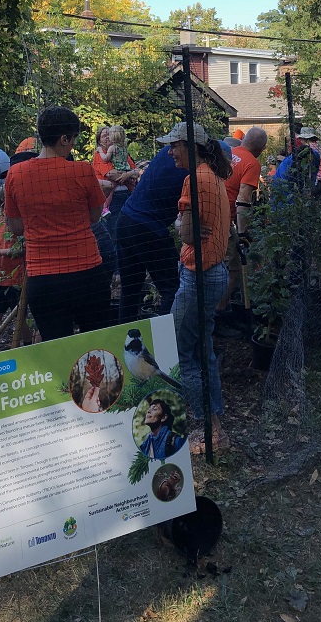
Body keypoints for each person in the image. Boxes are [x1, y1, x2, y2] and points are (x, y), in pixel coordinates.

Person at [4, 106, 110, 342]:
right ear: (64, 138)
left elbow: (16, 227)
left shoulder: (16, 174)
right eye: (72, 139)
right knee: (97, 346)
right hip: (87, 274)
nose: (72, 144)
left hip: (43, 279)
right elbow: (95, 216)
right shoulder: (82, 170)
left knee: (58, 349)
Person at [159, 122, 231, 454]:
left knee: (179, 353)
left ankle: (203, 432)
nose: (169, 151)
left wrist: (179, 224)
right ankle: (216, 430)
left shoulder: (194, 180)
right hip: (215, 272)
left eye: (173, 145)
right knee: (204, 352)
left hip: (197, 275)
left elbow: (187, 235)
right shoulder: (214, 177)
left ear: (190, 145)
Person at [115, 145, 188, 324]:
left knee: (130, 290)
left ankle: (123, 340)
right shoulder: (192, 167)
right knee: (171, 288)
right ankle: (167, 344)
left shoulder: (167, 151)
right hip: (148, 228)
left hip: (125, 220)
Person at [216, 128, 267, 330]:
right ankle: (217, 316)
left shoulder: (230, 153)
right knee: (232, 268)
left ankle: (218, 310)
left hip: (213, 212)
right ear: (261, 149)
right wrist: (244, 234)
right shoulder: (252, 163)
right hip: (224, 219)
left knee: (218, 266)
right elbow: (243, 200)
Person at [0, 186, 33, 347]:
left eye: (2, 205)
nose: (0, 209)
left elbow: (23, 248)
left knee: (20, 319)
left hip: (18, 280)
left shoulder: (22, 222)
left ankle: (27, 347)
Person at [92, 125, 139, 246]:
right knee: (114, 232)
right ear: (99, 140)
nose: (107, 137)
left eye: (109, 134)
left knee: (128, 231)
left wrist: (127, 175)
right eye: (104, 135)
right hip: (112, 198)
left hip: (126, 195)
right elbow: (110, 175)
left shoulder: (121, 151)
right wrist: (128, 174)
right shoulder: (100, 155)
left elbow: (136, 171)